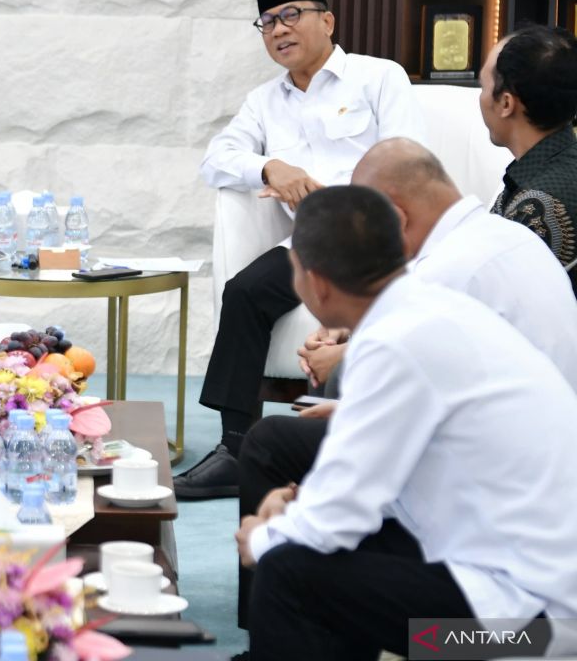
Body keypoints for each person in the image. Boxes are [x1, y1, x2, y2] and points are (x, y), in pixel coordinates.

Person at [234, 137, 577, 629]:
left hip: (527, 637)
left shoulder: (408, 324)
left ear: (316, 284)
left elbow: (342, 514)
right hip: (528, 568)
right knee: (311, 552)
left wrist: (262, 538)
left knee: (288, 570)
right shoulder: (445, 285)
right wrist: (301, 508)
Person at [176, 0, 421, 499]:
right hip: (310, 245)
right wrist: (271, 168)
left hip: (377, 237)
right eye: (267, 22)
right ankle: (236, 449)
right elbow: (216, 159)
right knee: (244, 292)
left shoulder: (379, 78)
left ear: (327, 21)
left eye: (291, 15)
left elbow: (406, 159)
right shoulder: (264, 101)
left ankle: (345, 450)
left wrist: (339, 197)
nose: (279, 29)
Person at [479, 24, 577, 294]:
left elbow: (496, 301)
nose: (480, 97)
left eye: (482, 86)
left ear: (506, 103)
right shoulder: (554, 169)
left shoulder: (536, 207)